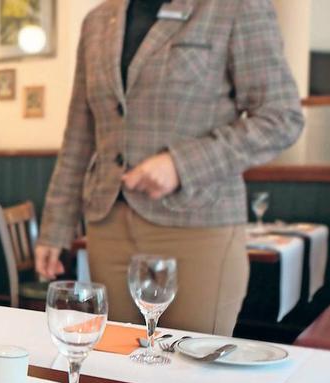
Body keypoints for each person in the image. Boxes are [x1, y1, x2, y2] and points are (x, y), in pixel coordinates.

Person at [35, 0, 303, 335]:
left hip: (197, 227)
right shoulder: (97, 21)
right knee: (118, 367)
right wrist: (55, 228)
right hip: (108, 229)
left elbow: (281, 119)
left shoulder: (235, 8)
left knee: (189, 371)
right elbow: (79, 135)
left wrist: (180, 164)